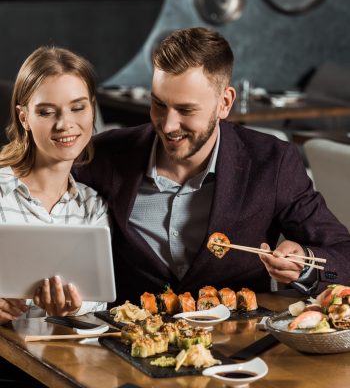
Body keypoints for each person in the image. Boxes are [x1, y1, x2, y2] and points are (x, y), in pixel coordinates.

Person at [74, 27, 350, 305]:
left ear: (224, 103)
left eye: (186, 110)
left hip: (235, 342)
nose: (168, 125)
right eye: (159, 104)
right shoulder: (104, 154)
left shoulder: (272, 162)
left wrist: (306, 264)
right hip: (127, 340)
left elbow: (343, 253)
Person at [0, 46, 109, 325]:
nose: (65, 124)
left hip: (62, 359)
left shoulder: (92, 205)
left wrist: (73, 305)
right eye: (47, 112)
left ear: (92, 109)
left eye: (78, 107)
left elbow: (100, 296)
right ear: (24, 117)